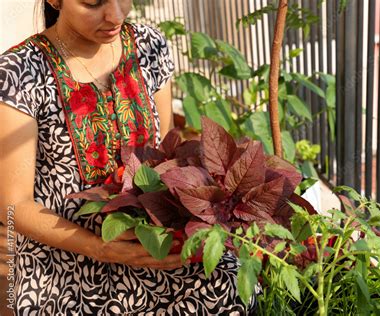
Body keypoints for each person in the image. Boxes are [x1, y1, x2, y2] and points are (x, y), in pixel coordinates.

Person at [0, 0, 255, 314]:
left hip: (148, 245)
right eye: (93, 3)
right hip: (66, 266)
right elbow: (13, 206)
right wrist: (102, 249)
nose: (115, 16)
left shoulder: (148, 47)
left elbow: (165, 158)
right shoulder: (19, 73)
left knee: (228, 285)